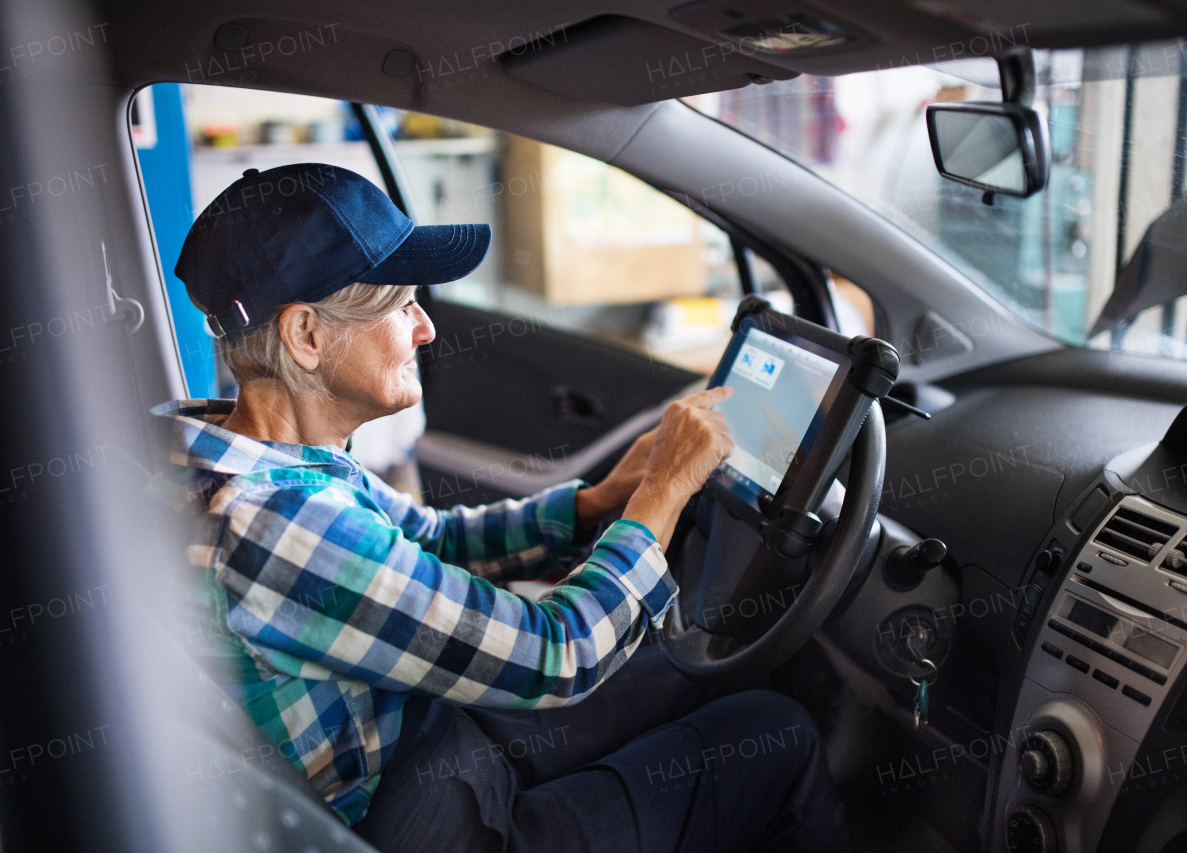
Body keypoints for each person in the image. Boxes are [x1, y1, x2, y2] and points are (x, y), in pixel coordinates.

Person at [154, 162, 853, 852]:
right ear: (306, 335)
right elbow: (560, 651)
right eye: (402, 306)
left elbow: (425, 540)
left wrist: (599, 503)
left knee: (691, 663)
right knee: (778, 733)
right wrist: (661, 495)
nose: (426, 329)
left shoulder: (226, 452)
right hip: (419, 825)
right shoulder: (275, 524)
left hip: (417, 739)